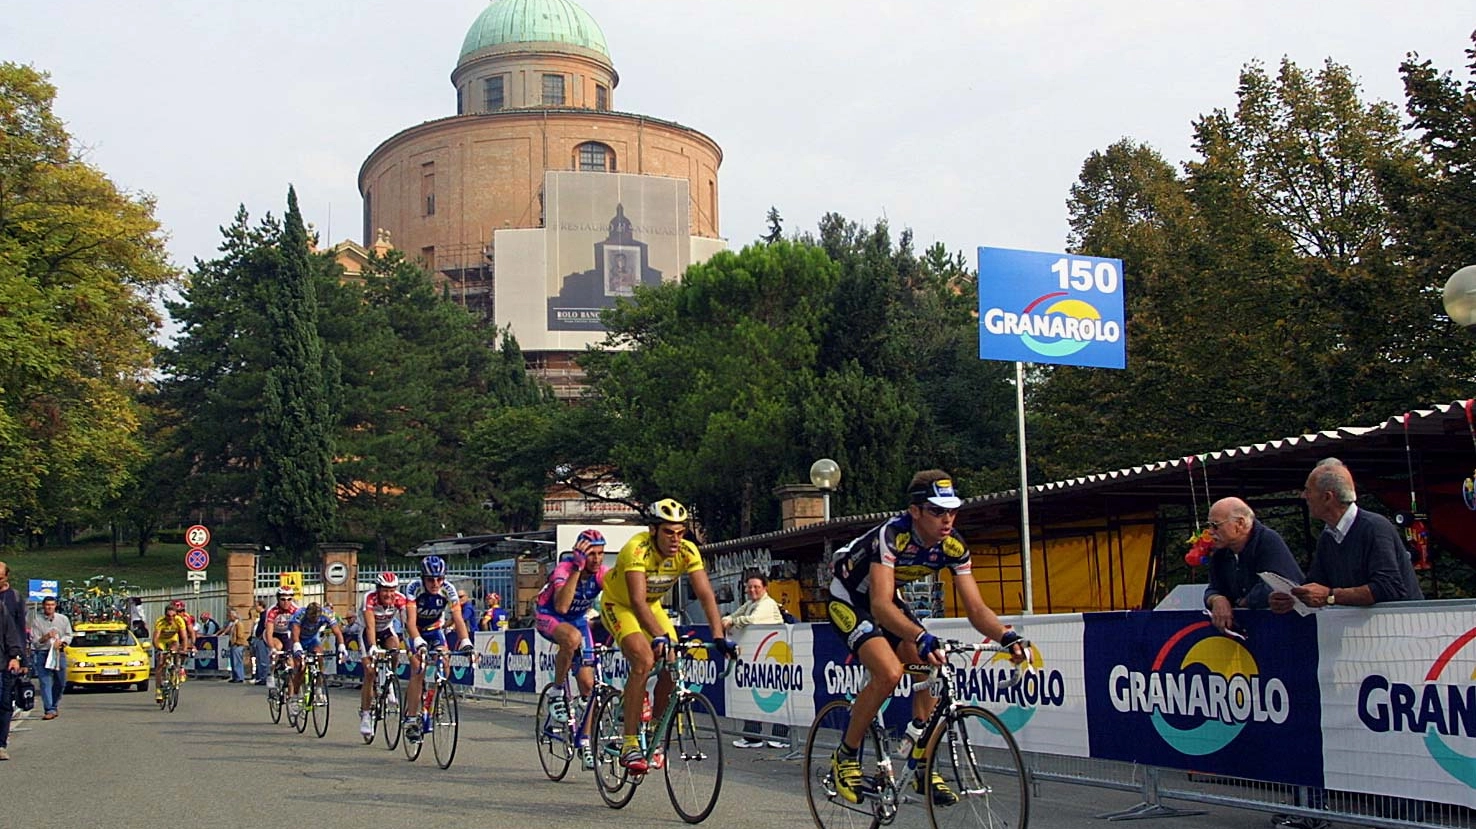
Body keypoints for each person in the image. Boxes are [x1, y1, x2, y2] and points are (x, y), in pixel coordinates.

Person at [826, 470, 1026, 806]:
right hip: (849, 599)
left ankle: (922, 764)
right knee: (889, 672)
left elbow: (976, 608)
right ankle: (845, 756)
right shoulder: (893, 534)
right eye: (937, 511)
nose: (947, 519)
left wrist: (1006, 637)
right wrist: (920, 635)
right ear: (915, 511)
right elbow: (879, 604)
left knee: (933, 666)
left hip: (890, 601)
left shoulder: (953, 545)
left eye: (952, 511)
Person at [600, 498, 736, 774]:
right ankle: (629, 744)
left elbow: (706, 594)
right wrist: (659, 635)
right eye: (668, 532)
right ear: (653, 530)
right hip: (621, 605)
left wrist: (719, 636)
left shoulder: (687, 551)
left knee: (672, 662)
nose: (676, 539)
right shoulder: (635, 549)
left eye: (680, 532)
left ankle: (654, 732)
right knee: (643, 659)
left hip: (651, 606)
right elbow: (636, 600)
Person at [1271, 458, 1424, 613]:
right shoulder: (1328, 536)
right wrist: (1293, 598)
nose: (1304, 496)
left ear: (1327, 497)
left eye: (1308, 490)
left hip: (1400, 628)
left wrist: (1331, 596)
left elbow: (1388, 587)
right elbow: (1316, 585)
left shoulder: (1374, 528)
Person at [534, 529, 609, 768]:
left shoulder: (601, 573)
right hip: (549, 616)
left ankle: (584, 740)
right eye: (591, 554)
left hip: (578, 621)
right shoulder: (564, 570)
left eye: (600, 554)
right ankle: (557, 691)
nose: (596, 559)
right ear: (579, 554)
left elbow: (619, 595)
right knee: (572, 638)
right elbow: (563, 606)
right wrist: (576, 569)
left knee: (589, 686)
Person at [1202, 497, 1305, 633]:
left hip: (1282, 627)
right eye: (1209, 525)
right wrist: (1217, 599)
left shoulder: (1267, 541)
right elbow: (1213, 588)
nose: (1210, 531)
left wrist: (1242, 602)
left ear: (1240, 523)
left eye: (1215, 525)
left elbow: (1280, 584)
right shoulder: (1220, 553)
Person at [402, 556, 473, 743]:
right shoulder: (413, 588)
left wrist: (465, 642)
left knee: (445, 661)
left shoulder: (448, 589)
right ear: (422, 578)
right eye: (430, 579)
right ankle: (410, 719)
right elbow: (410, 621)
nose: (435, 583)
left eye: (439, 579)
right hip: (413, 630)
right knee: (419, 668)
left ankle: (434, 698)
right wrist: (417, 640)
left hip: (434, 629)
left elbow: (458, 618)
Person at [724, 570, 792, 749]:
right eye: (749, 587)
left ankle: (780, 736)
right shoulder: (749, 604)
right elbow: (731, 616)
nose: (752, 590)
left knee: (777, 693)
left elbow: (753, 621)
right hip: (757, 657)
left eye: (756, 587)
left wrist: (733, 622)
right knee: (752, 693)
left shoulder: (767, 604)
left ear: (765, 588)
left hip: (775, 656)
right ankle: (752, 736)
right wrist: (729, 620)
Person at [360, 571, 409, 737]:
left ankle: (389, 678)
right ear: (378, 590)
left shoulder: (400, 599)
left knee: (395, 647)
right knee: (370, 672)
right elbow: (371, 626)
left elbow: (407, 623)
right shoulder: (369, 599)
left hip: (387, 629)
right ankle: (366, 714)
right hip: (367, 631)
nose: (389, 594)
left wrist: (410, 645)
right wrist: (373, 646)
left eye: (392, 590)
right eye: (385, 590)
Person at [287, 602, 347, 718]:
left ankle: (319, 688)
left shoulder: (327, 614)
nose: (314, 621)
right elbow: (295, 634)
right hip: (298, 639)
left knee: (319, 655)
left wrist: (341, 646)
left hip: (312, 639)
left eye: (316, 619)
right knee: (301, 667)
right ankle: (294, 697)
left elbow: (337, 632)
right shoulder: (299, 614)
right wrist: (297, 647)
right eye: (311, 619)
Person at [28, 596, 73, 720]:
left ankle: (54, 704)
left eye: (52, 605)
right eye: (47, 605)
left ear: (55, 606)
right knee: (45, 681)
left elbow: (69, 635)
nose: (49, 607)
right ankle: (49, 709)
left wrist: (62, 642)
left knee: (61, 681)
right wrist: (46, 637)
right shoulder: (37, 620)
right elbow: (35, 641)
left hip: (59, 652)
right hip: (43, 653)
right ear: (43, 606)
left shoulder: (63, 619)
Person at [0, 585, 23, 760]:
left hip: (2, 664)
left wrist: (15, 656)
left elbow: (11, 633)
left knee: (4, 704)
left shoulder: (2, 609)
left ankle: (1, 745)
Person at [151, 603, 191, 703]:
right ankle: (158, 690)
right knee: (161, 663)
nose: (171, 618)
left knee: (176, 651)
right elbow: (155, 639)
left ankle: (178, 669)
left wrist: (184, 650)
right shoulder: (160, 622)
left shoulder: (179, 620)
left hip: (173, 639)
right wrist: (159, 649)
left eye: (173, 616)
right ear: (165, 615)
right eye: (168, 616)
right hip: (161, 641)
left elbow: (184, 637)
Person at [262, 587, 299, 685]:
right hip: (273, 633)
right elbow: (269, 632)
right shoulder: (272, 610)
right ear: (278, 599)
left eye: (289, 599)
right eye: (283, 599)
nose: (286, 602)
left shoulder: (295, 610)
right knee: (277, 648)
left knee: (290, 661)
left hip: (286, 634)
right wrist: (272, 648)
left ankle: (290, 693)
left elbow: (298, 629)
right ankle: (271, 673)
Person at [224, 608, 249, 683]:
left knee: (237, 661)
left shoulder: (239, 624)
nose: (229, 616)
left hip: (237, 644)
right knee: (233, 661)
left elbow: (240, 635)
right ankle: (235, 676)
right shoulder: (233, 624)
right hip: (233, 643)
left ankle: (239, 677)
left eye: (231, 615)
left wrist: (237, 642)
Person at [249, 597, 270, 684]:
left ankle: (264, 678)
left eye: (256, 606)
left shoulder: (265, 615)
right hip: (258, 639)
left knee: (263, 659)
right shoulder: (261, 615)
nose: (255, 607)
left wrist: (261, 636)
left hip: (262, 640)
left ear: (261, 606)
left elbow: (266, 627)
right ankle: (260, 677)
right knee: (259, 659)